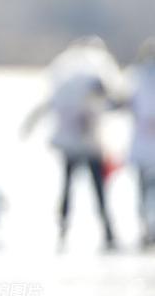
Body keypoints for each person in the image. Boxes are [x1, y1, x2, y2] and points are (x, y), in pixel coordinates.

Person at [23, 37, 120, 249]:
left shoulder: (68, 78)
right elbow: (111, 99)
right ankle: (102, 232)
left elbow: (48, 104)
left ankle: (69, 231)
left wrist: (29, 124)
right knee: (93, 189)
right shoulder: (90, 75)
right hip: (88, 145)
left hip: (76, 144)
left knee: (74, 188)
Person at [127, 38, 155, 247]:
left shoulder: (135, 77)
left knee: (144, 189)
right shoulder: (137, 77)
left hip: (143, 145)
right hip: (144, 145)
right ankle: (146, 228)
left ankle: (146, 227)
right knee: (145, 188)